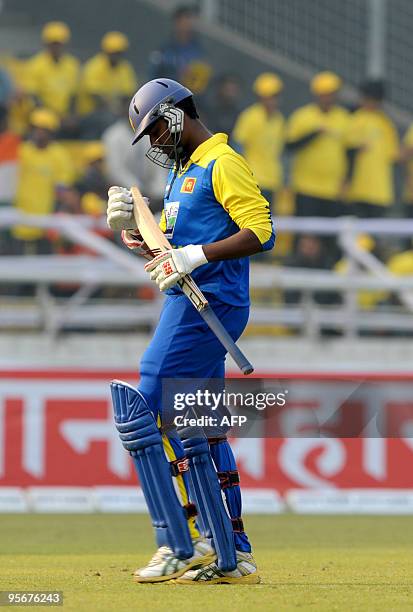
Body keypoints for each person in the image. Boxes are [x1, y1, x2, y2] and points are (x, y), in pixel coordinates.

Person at [106, 78, 275, 584]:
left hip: (211, 304)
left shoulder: (222, 162)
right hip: (193, 300)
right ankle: (231, 552)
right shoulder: (184, 172)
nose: (154, 140)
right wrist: (139, 237)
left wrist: (196, 254)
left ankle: (177, 541)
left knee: (145, 405)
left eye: (157, 127)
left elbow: (261, 231)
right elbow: (172, 256)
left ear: (178, 113)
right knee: (196, 423)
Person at [285, 71, 350, 218]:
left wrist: (346, 180)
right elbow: (290, 146)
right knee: (304, 234)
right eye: (325, 94)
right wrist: (313, 134)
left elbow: (348, 150)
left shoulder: (343, 118)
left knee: (328, 236)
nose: (328, 98)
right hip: (306, 186)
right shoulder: (302, 116)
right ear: (317, 94)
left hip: (333, 188)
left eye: (332, 94)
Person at [13, 108, 74, 254]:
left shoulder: (59, 155)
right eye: (36, 128)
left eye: (44, 130)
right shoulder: (20, 151)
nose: (39, 133)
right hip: (17, 220)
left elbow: (62, 188)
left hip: (46, 223)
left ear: (51, 133)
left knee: (45, 266)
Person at [102, 96, 167, 213]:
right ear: (122, 111)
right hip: (125, 195)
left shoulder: (150, 132)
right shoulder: (113, 136)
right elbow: (116, 171)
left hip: (153, 195)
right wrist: (138, 190)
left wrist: (160, 193)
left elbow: (159, 167)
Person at [345, 79, 399, 218]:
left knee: (373, 236)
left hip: (380, 191)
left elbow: (393, 155)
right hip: (357, 189)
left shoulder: (385, 122)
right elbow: (348, 151)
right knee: (358, 236)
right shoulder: (356, 119)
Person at [232, 72, 285, 207]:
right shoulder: (250, 117)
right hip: (253, 180)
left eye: (275, 96)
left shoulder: (279, 119)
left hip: (272, 180)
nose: (272, 101)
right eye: (269, 97)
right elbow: (237, 145)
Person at [24, 22, 80, 127]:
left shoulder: (72, 65)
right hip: (43, 114)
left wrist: (72, 116)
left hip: (65, 116)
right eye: (53, 44)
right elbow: (34, 98)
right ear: (46, 44)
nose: (56, 47)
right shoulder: (35, 65)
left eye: (59, 43)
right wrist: (54, 116)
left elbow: (74, 96)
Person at [149, 5, 211, 97]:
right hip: (167, 96)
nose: (188, 24)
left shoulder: (198, 49)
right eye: (184, 20)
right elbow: (153, 75)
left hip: (192, 97)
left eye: (190, 19)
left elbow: (204, 77)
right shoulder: (164, 49)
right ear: (176, 23)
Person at [77, 31, 137, 120]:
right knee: (107, 118)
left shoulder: (125, 68)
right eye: (112, 52)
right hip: (90, 113)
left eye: (118, 52)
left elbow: (127, 94)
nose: (115, 56)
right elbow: (95, 96)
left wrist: (122, 109)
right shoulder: (94, 66)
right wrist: (114, 109)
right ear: (105, 51)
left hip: (115, 113)